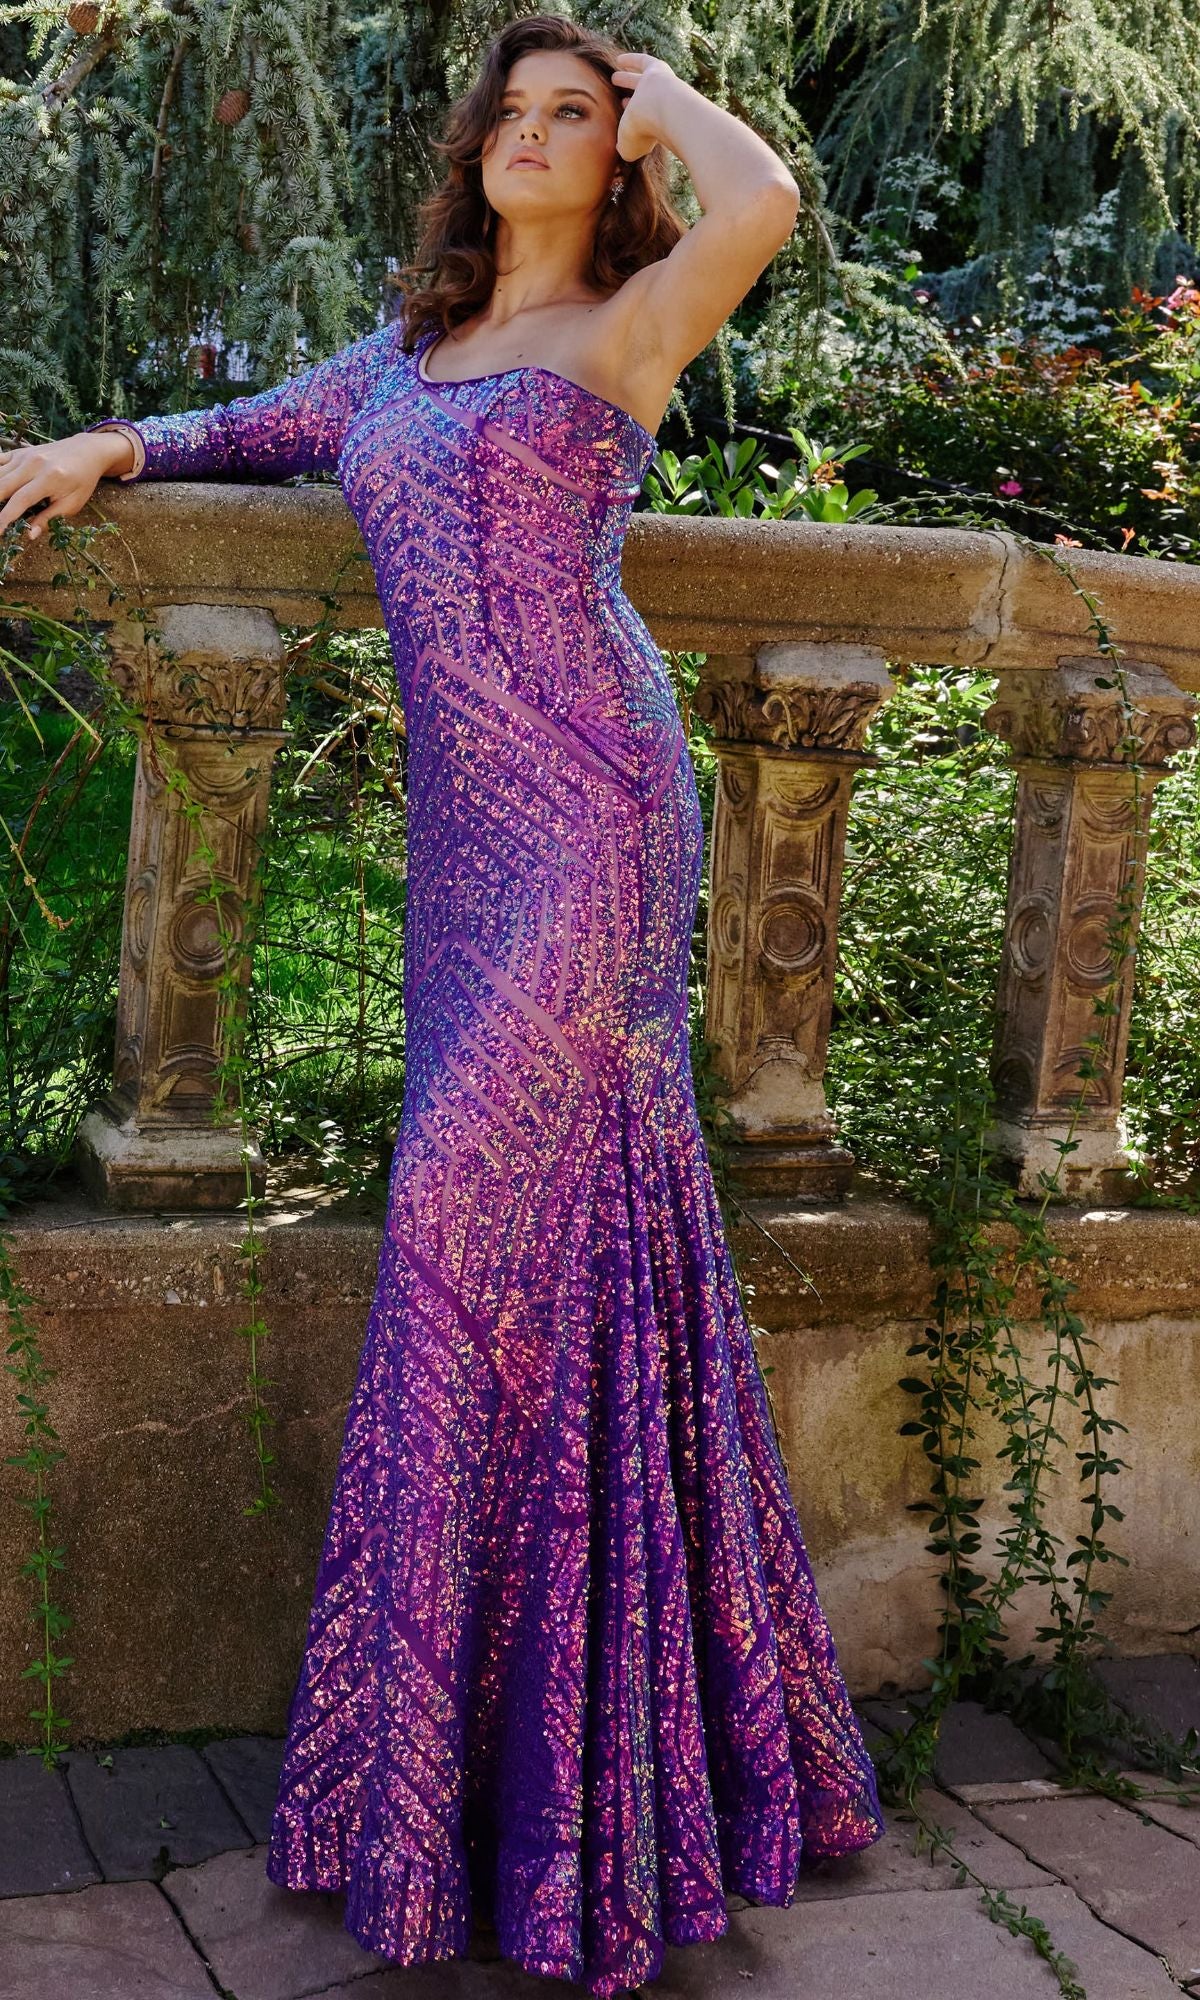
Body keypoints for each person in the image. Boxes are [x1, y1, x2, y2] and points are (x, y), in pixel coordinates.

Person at [0, 14, 886, 1993]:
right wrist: (105, 445)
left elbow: (767, 199)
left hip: (594, 829)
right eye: (516, 106)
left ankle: (548, 1794)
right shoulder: (404, 365)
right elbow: (247, 431)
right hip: (465, 870)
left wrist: (650, 81)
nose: (535, 133)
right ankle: (519, 1766)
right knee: (545, 1259)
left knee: (474, 1246)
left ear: (619, 160)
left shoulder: (628, 330)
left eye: (574, 119)